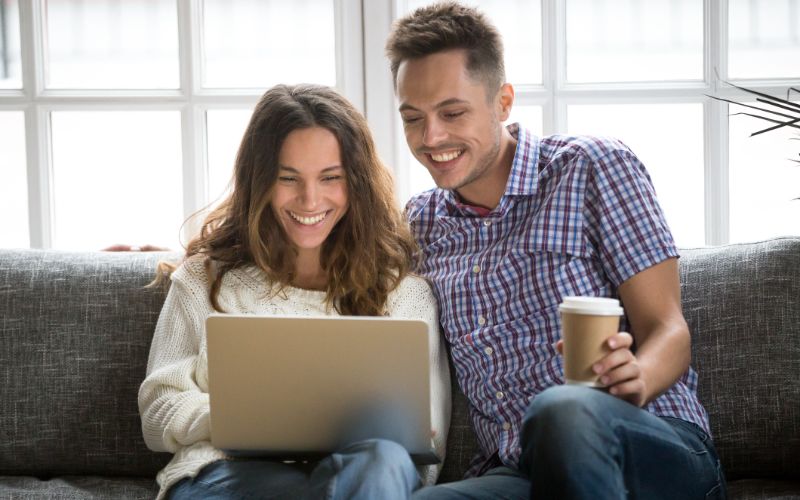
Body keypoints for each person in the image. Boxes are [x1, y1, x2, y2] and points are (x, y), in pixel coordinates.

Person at [385, 2, 725, 499]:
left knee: (561, 409)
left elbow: (669, 330)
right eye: (413, 119)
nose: (431, 138)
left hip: (645, 445)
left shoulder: (593, 168)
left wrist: (637, 379)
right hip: (521, 473)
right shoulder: (421, 222)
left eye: (452, 113)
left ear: (503, 102)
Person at [137, 84, 451, 500]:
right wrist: (246, 418)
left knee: (382, 461)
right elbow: (159, 412)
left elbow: (424, 445)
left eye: (330, 178)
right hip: (227, 476)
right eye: (288, 178)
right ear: (260, 181)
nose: (309, 199)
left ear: (356, 183)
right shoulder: (204, 279)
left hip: (360, 482)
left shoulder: (404, 295)